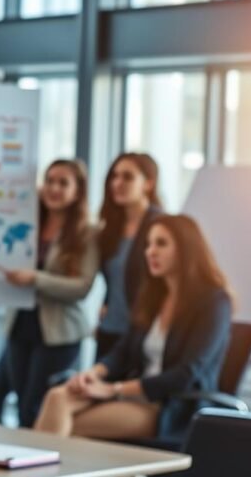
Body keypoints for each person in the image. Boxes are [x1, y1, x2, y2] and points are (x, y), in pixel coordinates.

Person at [34, 215, 233, 442]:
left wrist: (114, 389)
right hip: (133, 395)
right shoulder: (154, 297)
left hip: (171, 405)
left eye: (161, 243)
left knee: (69, 426)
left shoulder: (215, 302)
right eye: (148, 244)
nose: (150, 252)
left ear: (186, 248)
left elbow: (187, 374)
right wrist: (93, 374)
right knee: (57, 397)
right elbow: (124, 352)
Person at [0, 159, 99, 428]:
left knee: (33, 406)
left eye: (63, 183)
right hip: (21, 324)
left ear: (78, 191)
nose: (54, 188)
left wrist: (37, 279)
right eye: (50, 181)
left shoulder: (87, 233)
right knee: (6, 395)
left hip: (58, 331)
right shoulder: (26, 223)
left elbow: (82, 287)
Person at [95, 152, 163, 358]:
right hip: (109, 329)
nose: (118, 183)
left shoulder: (160, 227)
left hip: (142, 333)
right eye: (114, 176)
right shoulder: (110, 228)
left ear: (148, 183)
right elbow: (115, 276)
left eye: (128, 177)